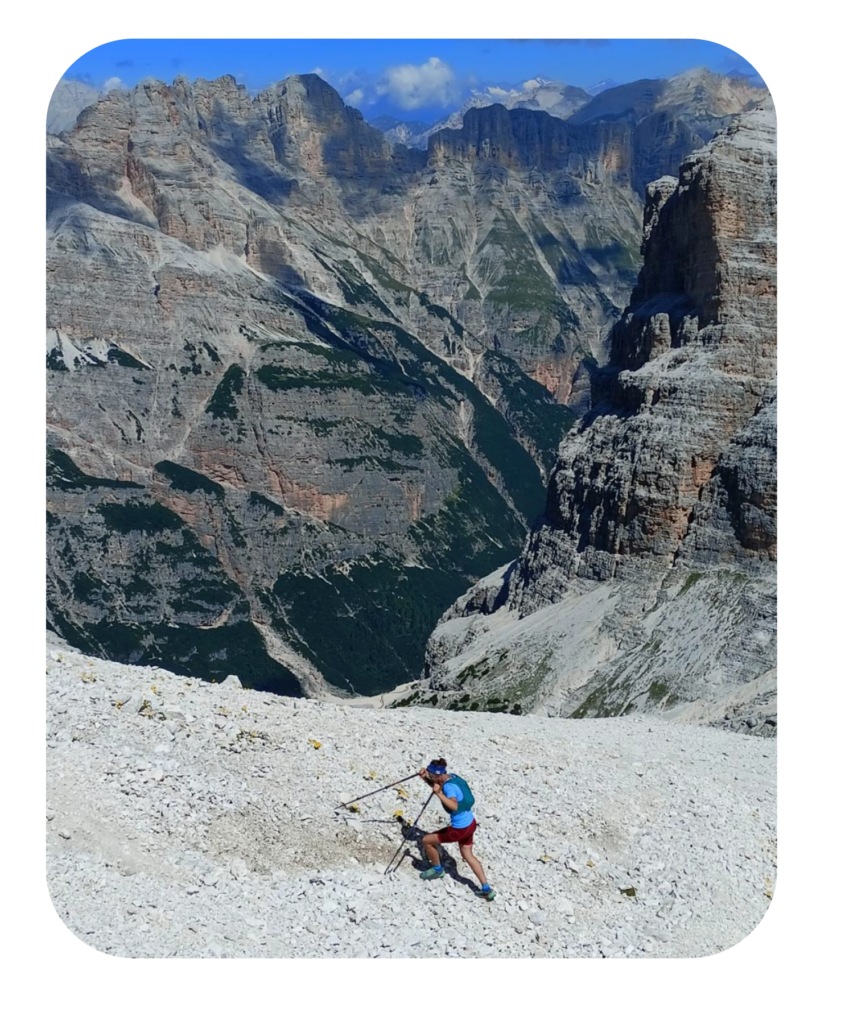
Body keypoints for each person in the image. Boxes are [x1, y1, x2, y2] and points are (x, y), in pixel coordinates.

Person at [418, 759, 495, 900]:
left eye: (430, 774)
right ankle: (486, 888)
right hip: (470, 823)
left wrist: (438, 794)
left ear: (436, 774)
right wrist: (425, 779)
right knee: (468, 855)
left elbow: (453, 805)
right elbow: (438, 785)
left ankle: (437, 870)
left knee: (426, 840)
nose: (429, 775)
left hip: (459, 829)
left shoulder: (448, 788)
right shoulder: (452, 777)